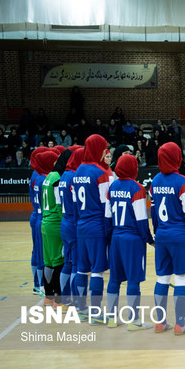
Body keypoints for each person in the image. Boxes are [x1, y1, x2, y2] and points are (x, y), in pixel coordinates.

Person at [150, 142, 185, 335]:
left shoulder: (154, 181)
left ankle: (160, 323)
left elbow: (153, 212)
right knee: (181, 280)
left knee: (162, 278)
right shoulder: (182, 182)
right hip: (181, 237)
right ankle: (180, 324)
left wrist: (157, 233)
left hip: (162, 235)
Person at [107, 154, 155, 330]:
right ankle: (134, 321)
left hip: (116, 237)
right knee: (133, 280)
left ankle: (112, 318)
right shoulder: (137, 188)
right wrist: (149, 240)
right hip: (133, 239)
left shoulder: (112, 187)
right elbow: (141, 219)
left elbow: (108, 214)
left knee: (114, 279)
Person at [72, 134, 112, 323]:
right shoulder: (100, 172)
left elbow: (74, 204)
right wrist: (109, 231)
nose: (105, 151)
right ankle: (96, 313)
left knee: (82, 269)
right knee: (97, 270)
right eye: (104, 147)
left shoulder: (77, 170)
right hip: (97, 227)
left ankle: (81, 309)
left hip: (81, 226)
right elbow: (106, 206)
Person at [41, 149, 69, 306]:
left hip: (46, 222)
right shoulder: (58, 178)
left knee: (48, 262)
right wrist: (65, 221)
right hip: (55, 224)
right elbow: (59, 205)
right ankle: (58, 299)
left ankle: (48, 296)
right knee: (59, 261)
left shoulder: (49, 176)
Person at [59, 147, 84, 307]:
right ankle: (76, 300)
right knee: (76, 264)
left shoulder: (64, 176)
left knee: (67, 263)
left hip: (65, 223)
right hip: (74, 225)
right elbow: (77, 206)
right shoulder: (74, 177)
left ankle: (65, 297)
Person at [28, 146, 50, 295]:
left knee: (36, 252)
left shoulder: (34, 175)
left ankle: (37, 284)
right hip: (43, 217)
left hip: (35, 214)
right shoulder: (44, 178)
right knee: (43, 254)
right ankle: (42, 285)